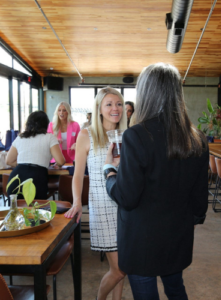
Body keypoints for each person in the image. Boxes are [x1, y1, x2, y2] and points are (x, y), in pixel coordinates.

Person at [104, 63, 209, 299]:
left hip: (141, 240)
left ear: (145, 94)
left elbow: (126, 198)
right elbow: (200, 200)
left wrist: (109, 172)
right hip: (177, 236)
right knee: (176, 289)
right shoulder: (197, 138)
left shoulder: (136, 135)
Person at [64, 87, 127, 300]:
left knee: (124, 265)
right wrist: (76, 203)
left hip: (126, 205)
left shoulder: (127, 135)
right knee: (118, 269)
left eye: (118, 104)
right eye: (108, 104)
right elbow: (78, 175)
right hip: (102, 206)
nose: (115, 108)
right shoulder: (87, 135)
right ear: (99, 108)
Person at [5, 111, 65, 199]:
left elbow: (8, 161)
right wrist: (57, 165)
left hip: (16, 178)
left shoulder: (20, 137)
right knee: (36, 211)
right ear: (46, 124)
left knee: (17, 211)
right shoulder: (49, 137)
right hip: (37, 178)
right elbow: (61, 161)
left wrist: (25, 163)